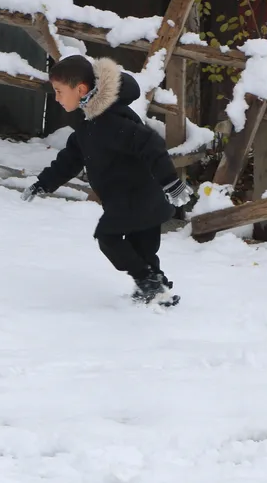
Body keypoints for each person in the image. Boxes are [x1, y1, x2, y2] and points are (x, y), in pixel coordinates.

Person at [21, 54, 192, 305]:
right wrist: (44, 182)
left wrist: (172, 183)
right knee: (142, 248)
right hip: (132, 196)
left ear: (80, 89)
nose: (56, 98)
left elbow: (151, 144)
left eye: (59, 91)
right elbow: (72, 156)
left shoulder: (109, 121)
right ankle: (156, 288)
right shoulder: (88, 120)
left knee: (109, 239)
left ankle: (150, 283)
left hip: (137, 196)